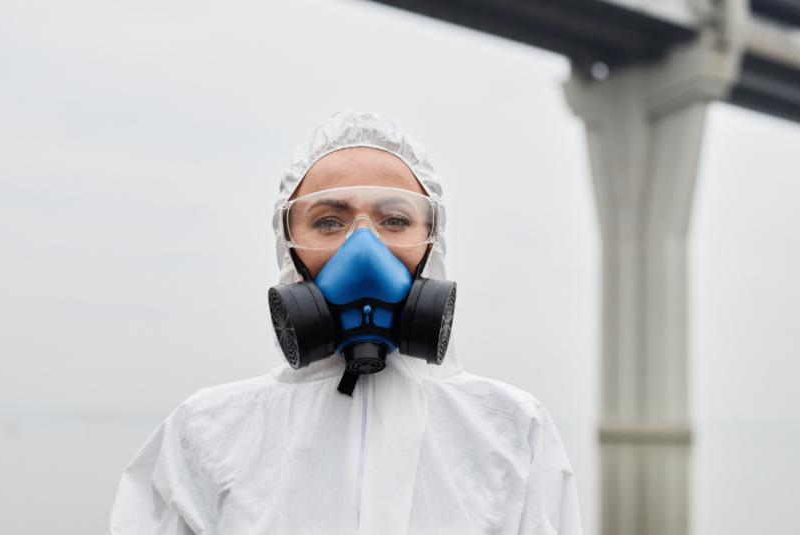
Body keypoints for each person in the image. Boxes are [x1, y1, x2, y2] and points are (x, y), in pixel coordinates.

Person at [108, 110, 583, 535]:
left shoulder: (513, 429)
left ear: (432, 245)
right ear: (289, 248)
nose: (363, 250)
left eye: (395, 220)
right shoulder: (205, 433)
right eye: (330, 222)